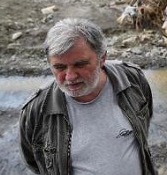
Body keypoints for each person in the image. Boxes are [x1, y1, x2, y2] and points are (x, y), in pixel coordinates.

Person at [19, 18, 156, 175]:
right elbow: (34, 162)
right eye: (59, 67)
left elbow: (145, 123)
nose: (70, 77)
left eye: (80, 64)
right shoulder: (36, 110)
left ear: (102, 58)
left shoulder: (132, 79)